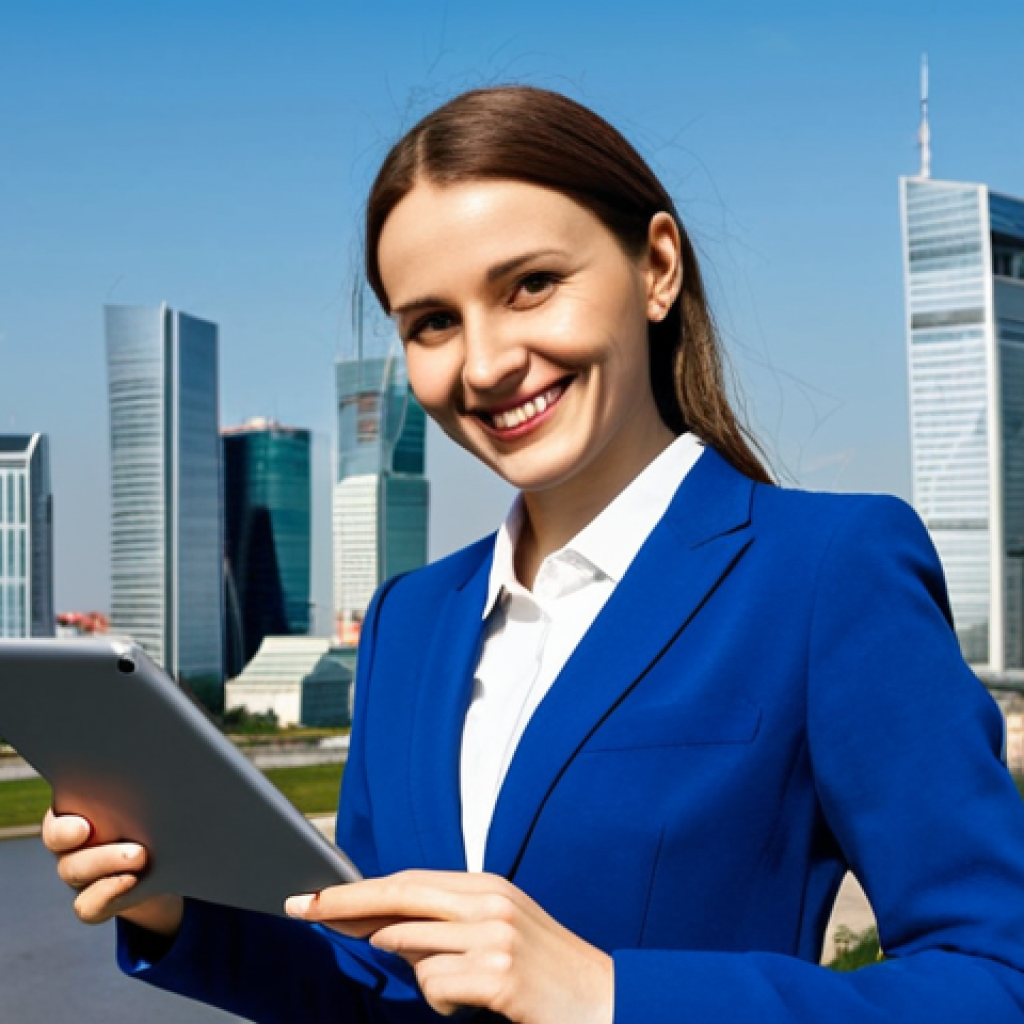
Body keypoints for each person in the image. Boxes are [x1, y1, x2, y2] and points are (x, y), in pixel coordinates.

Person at [43, 86, 1024, 1023]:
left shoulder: (825, 572)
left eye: (532, 285)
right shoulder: (409, 619)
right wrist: (168, 900)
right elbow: (376, 985)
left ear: (658, 268)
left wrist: (604, 995)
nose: (483, 362)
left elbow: (996, 979)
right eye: (432, 322)